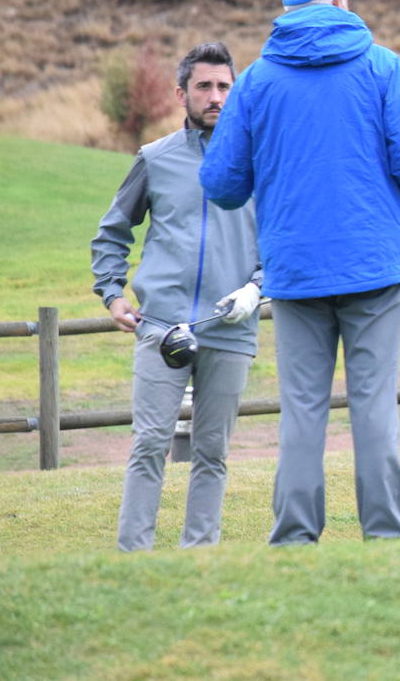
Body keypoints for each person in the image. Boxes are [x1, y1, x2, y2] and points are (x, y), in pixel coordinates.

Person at [199, 0, 400, 545]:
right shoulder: (382, 68)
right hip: (372, 267)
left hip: (294, 272)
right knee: (373, 407)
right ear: (335, 2)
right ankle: (385, 537)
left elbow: (223, 185)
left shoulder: (254, 82)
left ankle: (296, 537)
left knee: (302, 411)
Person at [91, 41, 262, 552]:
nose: (215, 97)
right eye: (204, 86)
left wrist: (257, 287)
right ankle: (132, 556)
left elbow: (281, 237)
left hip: (230, 330)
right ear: (181, 92)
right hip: (161, 326)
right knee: (148, 445)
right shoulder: (155, 159)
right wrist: (111, 293)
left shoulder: (259, 161)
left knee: (212, 451)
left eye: (224, 86)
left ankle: (198, 558)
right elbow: (113, 230)